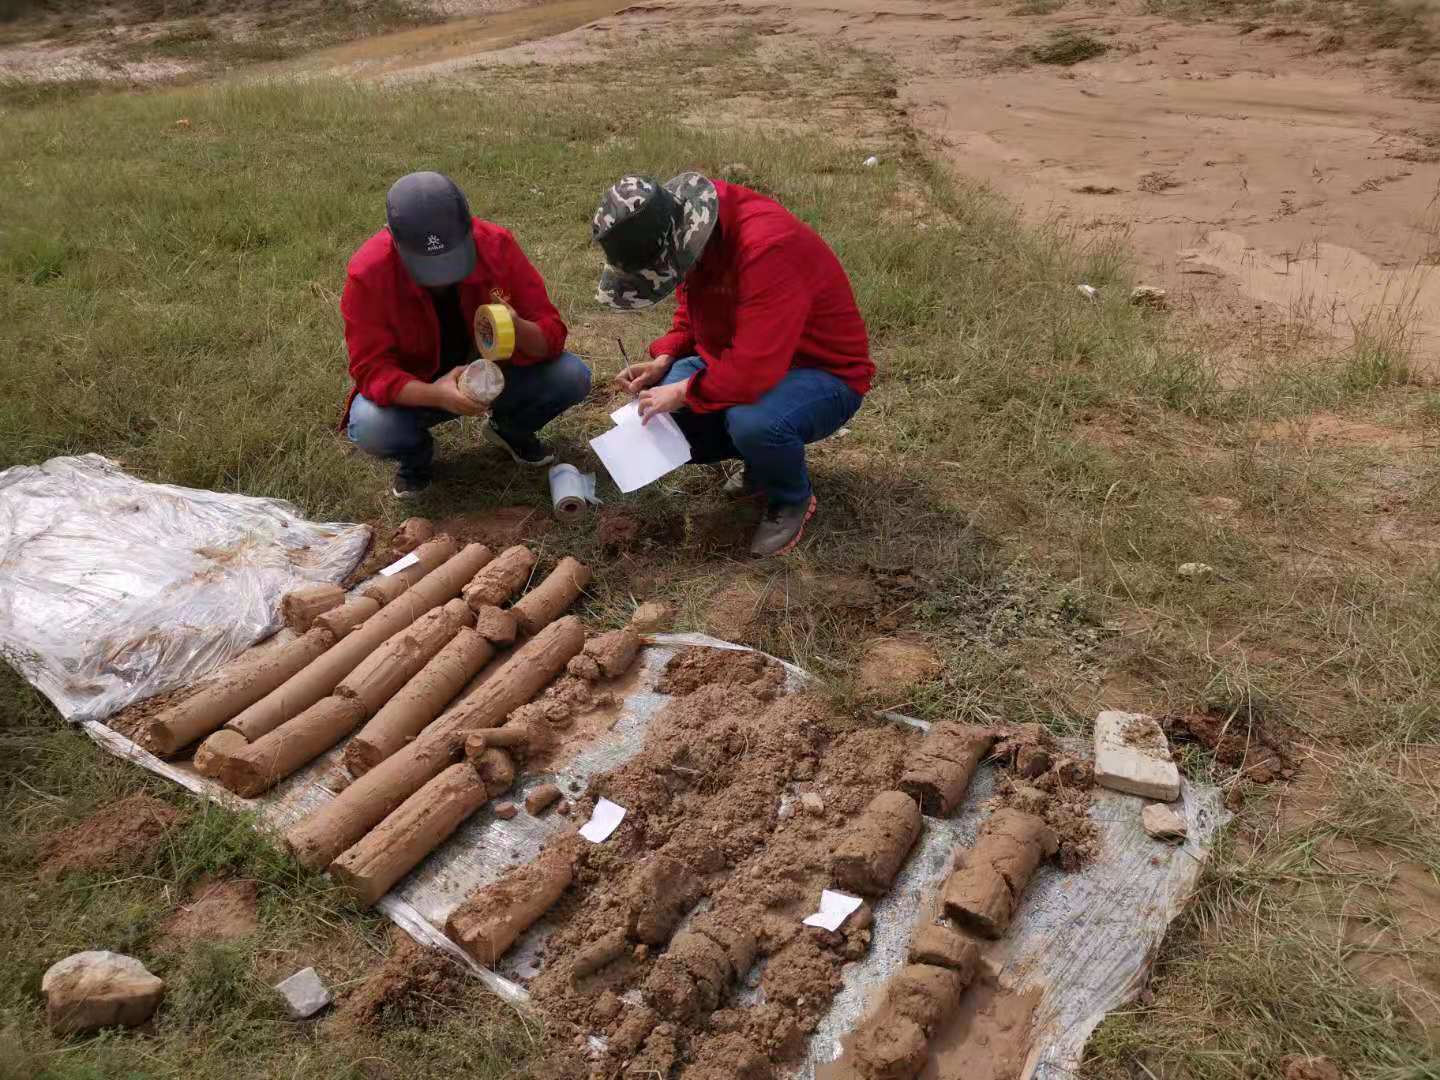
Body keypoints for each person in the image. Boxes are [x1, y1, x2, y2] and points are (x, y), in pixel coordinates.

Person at [591, 173, 872, 557]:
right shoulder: (690, 230)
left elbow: (752, 372)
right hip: (745, 356)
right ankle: (761, 462)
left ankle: (792, 497)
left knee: (752, 422)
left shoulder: (767, 249)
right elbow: (694, 313)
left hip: (822, 372)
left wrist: (684, 391)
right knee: (664, 412)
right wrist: (665, 359)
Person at [341, 171, 591, 497]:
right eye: (427, 266)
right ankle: (416, 459)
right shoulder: (368, 273)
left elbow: (552, 334)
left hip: (498, 375)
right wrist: (437, 395)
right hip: (421, 386)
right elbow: (371, 370)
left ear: (468, 227)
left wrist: (517, 326)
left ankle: (511, 430)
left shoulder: (497, 245)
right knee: (370, 424)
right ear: (393, 237)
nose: (441, 279)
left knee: (571, 375)